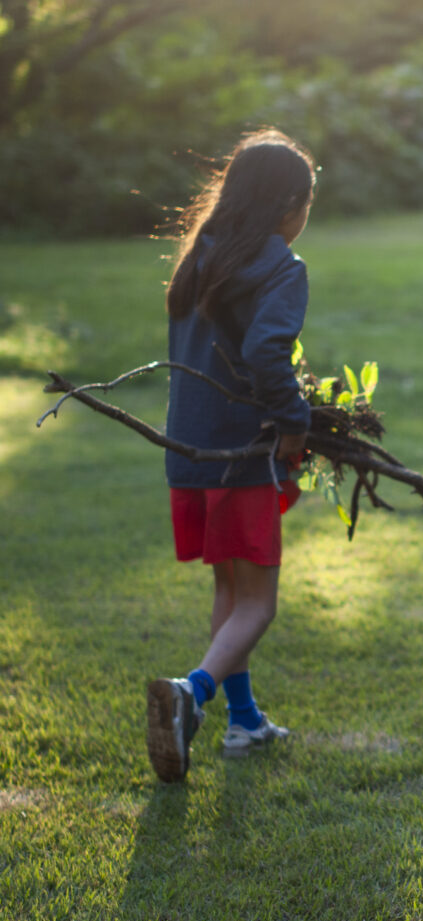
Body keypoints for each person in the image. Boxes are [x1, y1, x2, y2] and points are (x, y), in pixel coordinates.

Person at [146, 129, 317, 783]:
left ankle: (244, 723)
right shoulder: (281, 267)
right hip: (242, 453)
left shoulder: (200, 257)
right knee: (259, 603)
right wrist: (295, 424)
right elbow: (267, 354)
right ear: (289, 206)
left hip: (189, 452)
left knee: (227, 588)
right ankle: (190, 694)